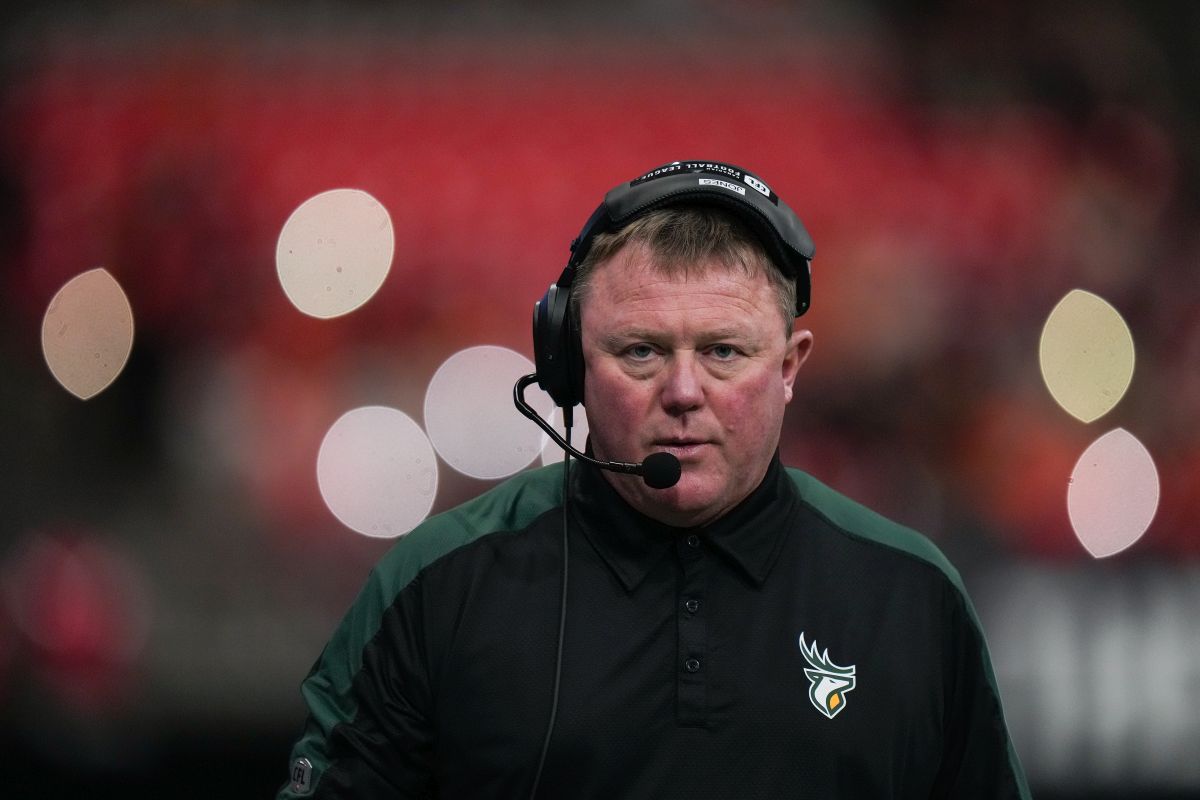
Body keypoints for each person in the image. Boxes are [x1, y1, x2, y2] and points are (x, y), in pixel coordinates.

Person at [277, 161, 1031, 799]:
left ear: (790, 367)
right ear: (568, 366)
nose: (682, 391)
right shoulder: (438, 585)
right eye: (640, 351)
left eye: (724, 352)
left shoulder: (910, 595)